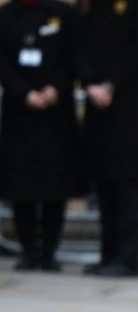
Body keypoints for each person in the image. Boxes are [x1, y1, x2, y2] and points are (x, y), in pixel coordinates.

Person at [78, 0, 138, 278]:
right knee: (103, 183)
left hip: (131, 103)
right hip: (98, 103)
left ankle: (128, 257)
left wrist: (110, 83)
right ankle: (108, 254)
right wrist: (89, 82)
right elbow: (78, 41)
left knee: (129, 186)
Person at [0, 0, 82, 272]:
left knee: (53, 186)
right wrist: (23, 93)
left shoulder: (63, 14)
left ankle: (49, 251)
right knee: (20, 186)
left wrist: (56, 88)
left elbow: (75, 56)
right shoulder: (6, 15)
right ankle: (28, 250)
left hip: (56, 113)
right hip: (19, 112)